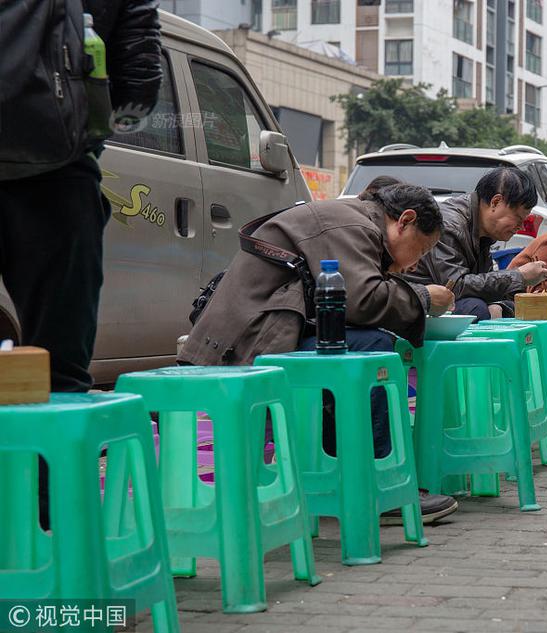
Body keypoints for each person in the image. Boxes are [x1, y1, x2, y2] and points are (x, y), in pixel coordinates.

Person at [178, 184, 459, 522]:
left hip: (265, 335)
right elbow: (361, 300)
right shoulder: (352, 225)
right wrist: (424, 298)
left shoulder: (353, 221)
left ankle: (344, 470)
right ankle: (381, 484)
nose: (417, 263)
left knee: (361, 346)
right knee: (370, 350)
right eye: (422, 249)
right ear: (405, 221)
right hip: (249, 346)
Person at [1, 0, 162, 532]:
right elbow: (138, 88)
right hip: (56, 177)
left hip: (58, 175)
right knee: (59, 376)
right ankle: (57, 544)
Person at [404, 167, 547, 321]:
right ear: (496, 202)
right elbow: (454, 287)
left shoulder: (483, 230)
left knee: (517, 306)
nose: (520, 227)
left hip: (446, 303)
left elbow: (482, 284)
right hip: (417, 304)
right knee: (475, 308)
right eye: (518, 218)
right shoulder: (450, 224)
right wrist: (519, 276)